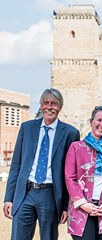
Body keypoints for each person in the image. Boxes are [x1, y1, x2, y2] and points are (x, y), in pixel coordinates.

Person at [3, 88, 80, 240]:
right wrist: (9, 198)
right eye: (46, 103)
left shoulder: (71, 133)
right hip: (25, 193)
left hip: (50, 195)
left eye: (54, 104)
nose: (49, 107)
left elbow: (71, 173)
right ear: (40, 106)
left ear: (60, 107)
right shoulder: (27, 128)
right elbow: (16, 165)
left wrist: (66, 206)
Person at [65, 106, 102, 240]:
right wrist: (83, 204)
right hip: (82, 208)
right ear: (91, 121)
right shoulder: (76, 147)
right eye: (99, 120)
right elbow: (70, 178)